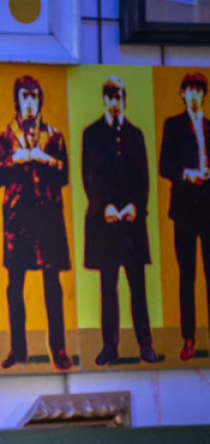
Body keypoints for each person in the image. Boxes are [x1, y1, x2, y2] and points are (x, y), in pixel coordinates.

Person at [0, 75, 73, 371]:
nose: (29, 103)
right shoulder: (4, 137)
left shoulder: (54, 136)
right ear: (17, 101)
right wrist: (18, 157)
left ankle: (59, 349)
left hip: (48, 220)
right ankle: (18, 348)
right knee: (15, 287)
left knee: (53, 286)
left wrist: (43, 158)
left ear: (40, 101)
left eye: (34, 97)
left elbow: (64, 175)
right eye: (24, 97)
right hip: (17, 221)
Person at [82, 75, 156, 366]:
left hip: (132, 226)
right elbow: (89, 175)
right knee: (108, 289)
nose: (115, 103)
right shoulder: (92, 133)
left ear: (125, 100)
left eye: (119, 98)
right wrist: (105, 206)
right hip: (105, 225)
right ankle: (109, 347)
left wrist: (136, 206)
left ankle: (145, 344)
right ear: (104, 100)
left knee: (138, 288)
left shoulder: (135, 134)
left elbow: (144, 178)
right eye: (110, 97)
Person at [159, 71, 210, 361]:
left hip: (209, 207)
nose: (193, 95)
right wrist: (188, 174)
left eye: (197, 90)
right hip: (185, 210)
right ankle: (188, 338)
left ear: (203, 95)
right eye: (188, 90)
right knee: (187, 276)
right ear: (182, 94)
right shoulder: (173, 125)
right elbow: (165, 166)